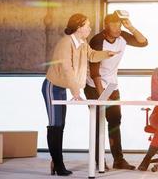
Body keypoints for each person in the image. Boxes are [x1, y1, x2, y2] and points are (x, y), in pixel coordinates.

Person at [41, 13, 116, 176]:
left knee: (61, 124)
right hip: (52, 87)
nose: (90, 28)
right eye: (87, 25)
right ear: (78, 27)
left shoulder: (82, 43)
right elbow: (67, 69)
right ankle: (58, 165)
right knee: (56, 125)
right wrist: (76, 91)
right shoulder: (65, 43)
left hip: (63, 87)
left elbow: (92, 55)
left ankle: (56, 161)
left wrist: (106, 53)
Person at [84, 12, 148, 170]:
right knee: (98, 122)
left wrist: (130, 27)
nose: (118, 28)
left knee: (114, 121)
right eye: (115, 25)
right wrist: (102, 97)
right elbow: (95, 73)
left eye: (120, 25)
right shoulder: (97, 40)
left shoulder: (123, 36)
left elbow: (143, 42)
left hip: (112, 85)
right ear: (106, 26)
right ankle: (99, 160)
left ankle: (118, 160)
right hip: (94, 86)